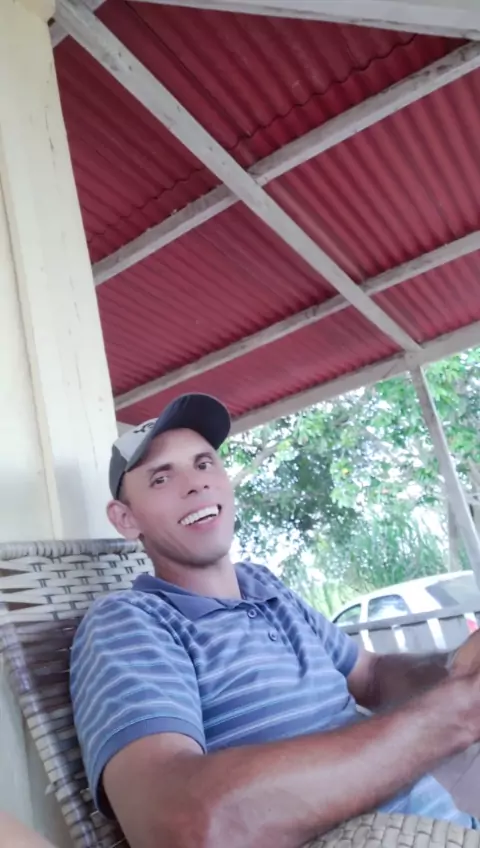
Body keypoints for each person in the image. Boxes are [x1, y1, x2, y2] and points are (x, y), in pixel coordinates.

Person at [70, 393, 480, 848]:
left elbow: (372, 673)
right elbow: (179, 825)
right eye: (162, 477)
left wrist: (458, 671)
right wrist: (452, 715)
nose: (196, 484)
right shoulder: (130, 624)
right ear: (126, 519)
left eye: (204, 463)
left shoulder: (266, 586)